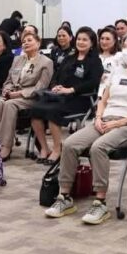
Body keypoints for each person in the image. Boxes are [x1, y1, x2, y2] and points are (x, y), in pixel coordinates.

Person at [45, 32, 127, 225]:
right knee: (70, 144)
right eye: (124, 46)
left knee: (98, 147)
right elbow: (103, 100)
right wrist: (98, 117)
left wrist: (119, 123)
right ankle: (64, 197)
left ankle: (100, 202)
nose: (125, 50)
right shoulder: (117, 72)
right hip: (104, 120)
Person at [31, 27, 104, 165]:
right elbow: (56, 75)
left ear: (92, 43)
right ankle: (45, 148)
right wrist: (55, 86)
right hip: (60, 96)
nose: (81, 42)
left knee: (53, 112)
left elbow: (93, 83)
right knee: (35, 109)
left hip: (80, 98)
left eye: (85, 40)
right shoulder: (69, 58)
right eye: (79, 39)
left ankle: (57, 150)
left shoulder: (94, 61)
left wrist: (71, 89)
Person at [0, 32, 54, 160]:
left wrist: (19, 94)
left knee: (9, 104)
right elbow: (8, 80)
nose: (25, 43)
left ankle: (6, 146)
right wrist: (7, 89)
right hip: (13, 94)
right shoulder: (17, 59)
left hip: (31, 97)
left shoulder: (46, 62)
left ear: (38, 43)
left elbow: (41, 87)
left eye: (29, 40)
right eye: (23, 42)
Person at [98, 26, 123, 95]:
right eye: (102, 38)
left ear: (114, 41)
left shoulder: (119, 56)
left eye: (107, 39)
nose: (104, 42)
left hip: (112, 93)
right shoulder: (94, 57)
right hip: (93, 93)